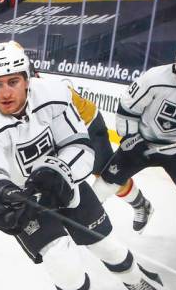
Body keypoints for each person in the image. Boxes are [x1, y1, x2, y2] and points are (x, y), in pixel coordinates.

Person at [0, 42, 165, 290]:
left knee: (107, 247)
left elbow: (79, 145)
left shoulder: (54, 95)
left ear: (27, 79)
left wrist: (58, 171)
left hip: (66, 185)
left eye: (12, 82)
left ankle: (135, 280)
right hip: (27, 202)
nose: (5, 92)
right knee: (61, 261)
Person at [92, 32, 176, 266]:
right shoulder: (154, 78)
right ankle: (86, 228)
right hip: (141, 142)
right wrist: (130, 137)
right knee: (102, 188)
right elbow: (127, 108)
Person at [10, 41, 153, 232]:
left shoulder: (42, 88)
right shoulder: (21, 84)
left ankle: (140, 204)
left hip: (87, 128)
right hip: (64, 132)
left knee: (106, 176)